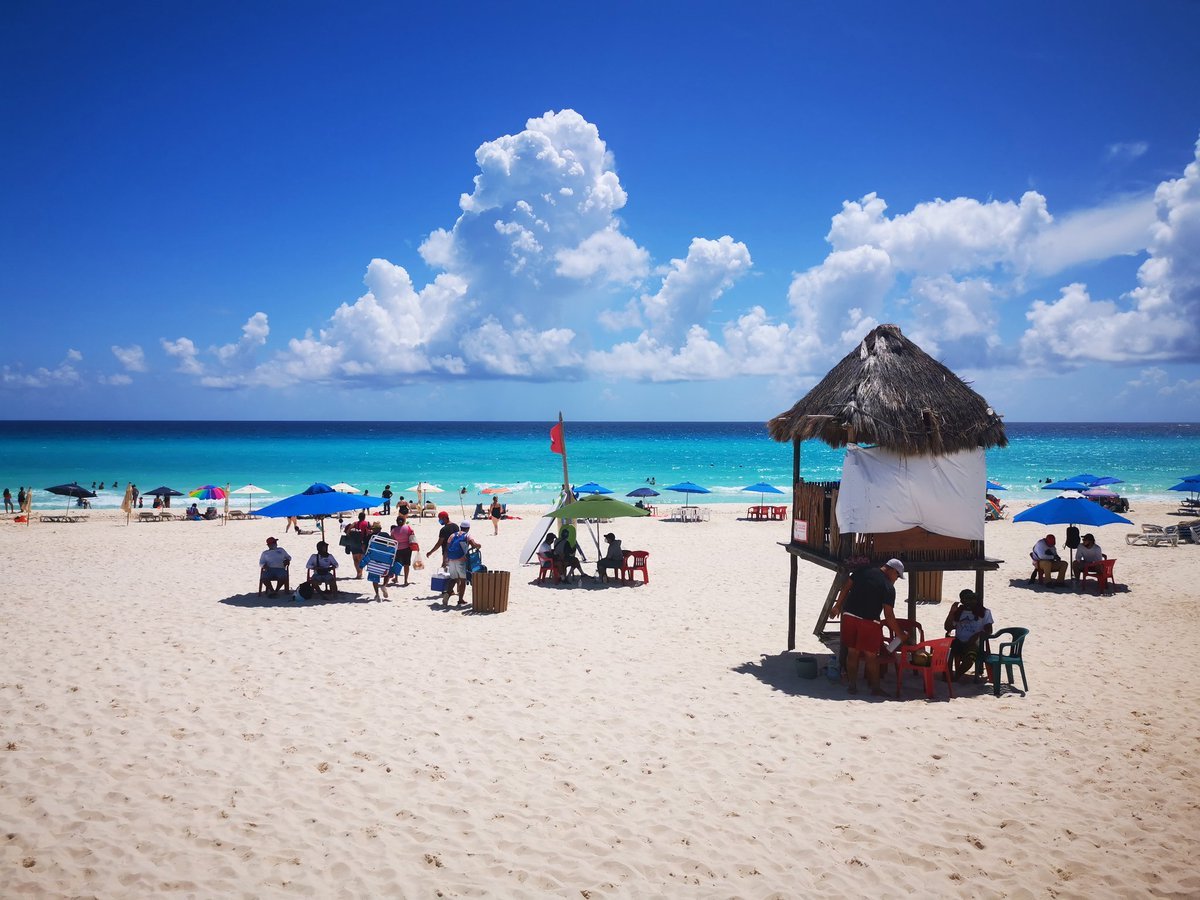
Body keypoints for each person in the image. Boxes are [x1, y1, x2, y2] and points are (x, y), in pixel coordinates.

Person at [829, 558, 906, 696]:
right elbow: (889, 616)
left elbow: (846, 586)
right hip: (869, 622)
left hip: (849, 616)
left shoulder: (864, 570)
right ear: (892, 570)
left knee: (853, 652)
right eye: (897, 576)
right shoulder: (888, 587)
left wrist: (837, 606)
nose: (896, 579)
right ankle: (875, 688)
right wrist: (900, 634)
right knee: (871, 656)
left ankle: (852, 686)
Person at [944, 589, 994, 680]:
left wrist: (977, 635)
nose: (970, 601)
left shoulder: (984, 612)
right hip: (958, 642)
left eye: (972, 599)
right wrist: (951, 612)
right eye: (967, 599)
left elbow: (989, 630)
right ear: (962, 601)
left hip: (974, 644)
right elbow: (947, 627)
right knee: (946, 652)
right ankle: (947, 675)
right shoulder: (959, 612)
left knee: (969, 658)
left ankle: (957, 675)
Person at [443, 522, 480, 606]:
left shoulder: (452, 535)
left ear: (460, 527)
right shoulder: (467, 535)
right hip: (461, 560)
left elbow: (446, 548)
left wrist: (445, 559)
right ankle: (460, 600)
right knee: (463, 580)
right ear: (468, 528)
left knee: (453, 578)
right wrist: (479, 545)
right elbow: (474, 544)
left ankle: (448, 594)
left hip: (451, 559)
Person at [388, 514, 416, 587]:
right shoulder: (408, 528)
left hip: (398, 549)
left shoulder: (393, 530)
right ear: (404, 521)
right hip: (407, 549)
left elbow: (392, 540)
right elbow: (412, 537)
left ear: (396, 522)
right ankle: (405, 580)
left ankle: (396, 578)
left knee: (397, 564)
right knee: (406, 564)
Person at [344, 511, 372, 578]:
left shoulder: (354, 523)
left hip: (354, 543)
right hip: (363, 543)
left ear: (358, 517)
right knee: (361, 559)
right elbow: (370, 532)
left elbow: (347, 532)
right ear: (364, 517)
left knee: (355, 559)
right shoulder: (367, 523)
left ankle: (358, 573)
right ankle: (360, 572)